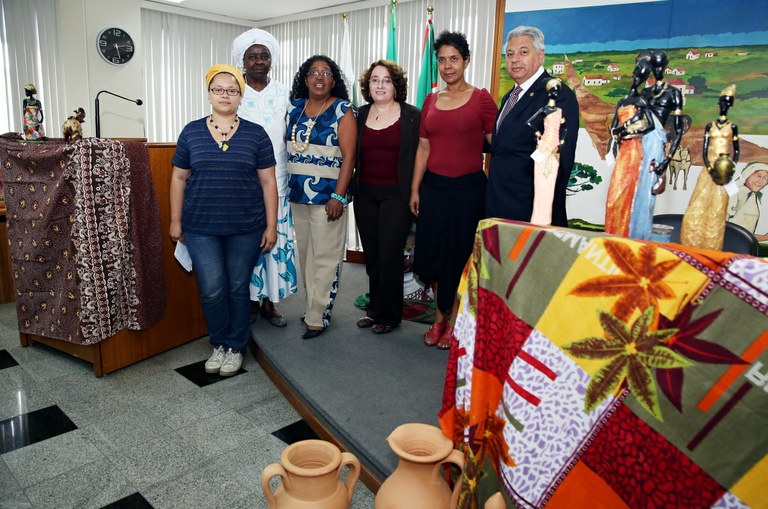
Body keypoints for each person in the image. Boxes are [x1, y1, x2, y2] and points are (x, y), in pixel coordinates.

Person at [170, 64, 278, 376]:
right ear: (209, 94)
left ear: (240, 96)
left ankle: (235, 346)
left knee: (237, 288)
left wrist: (271, 226)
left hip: (246, 227)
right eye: (218, 89)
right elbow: (178, 178)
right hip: (200, 227)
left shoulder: (256, 135)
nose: (225, 95)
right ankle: (219, 342)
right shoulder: (191, 132)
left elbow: (269, 183)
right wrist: (175, 222)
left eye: (232, 90)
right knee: (212, 289)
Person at [409, 31, 497, 350]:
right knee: (431, 256)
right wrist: (415, 189)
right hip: (433, 189)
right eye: (442, 60)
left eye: (454, 59)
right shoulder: (431, 100)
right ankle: (439, 316)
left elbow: (497, 145)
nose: (447, 66)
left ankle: (456, 319)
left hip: (468, 192)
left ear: (466, 61)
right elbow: (423, 147)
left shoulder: (482, 98)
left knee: (459, 258)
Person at [287, 55, 356, 340]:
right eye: (313, 72)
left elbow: (350, 157)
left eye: (325, 72)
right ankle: (311, 307)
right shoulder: (294, 108)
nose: (319, 77)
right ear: (305, 79)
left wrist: (338, 197)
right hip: (297, 195)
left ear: (333, 80)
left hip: (328, 198)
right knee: (307, 258)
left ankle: (319, 317)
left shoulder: (343, 110)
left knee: (326, 258)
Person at [232, 28, 297, 328]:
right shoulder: (234, 94)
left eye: (264, 56)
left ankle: (269, 303)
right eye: (252, 56)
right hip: (242, 185)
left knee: (273, 245)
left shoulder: (285, 94)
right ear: (242, 61)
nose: (259, 61)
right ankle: (247, 301)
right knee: (245, 245)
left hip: (277, 181)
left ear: (272, 61)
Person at [351, 59, 420, 335]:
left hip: (396, 195)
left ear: (396, 85)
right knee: (373, 255)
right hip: (365, 194)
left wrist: (416, 192)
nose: (380, 85)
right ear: (368, 85)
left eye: (386, 80)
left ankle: (391, 315)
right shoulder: (357, 115)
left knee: (390, 254)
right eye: (375, 80)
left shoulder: (412, 116)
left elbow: (420, 158)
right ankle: (375, 308)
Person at [486, 25, 579, 226]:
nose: (514, 59)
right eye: (509, 54)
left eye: (523, 52)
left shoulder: (557, 95)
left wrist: (541, 212)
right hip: (499, 206)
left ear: (540, 54)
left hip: (530, 213)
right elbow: (504, 147)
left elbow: (560, 161)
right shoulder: (510, 96)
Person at [630, 49, 685, 240]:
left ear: (666, 65)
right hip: (638, 144)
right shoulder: (645, 93)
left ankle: (641, 236)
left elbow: (678, 130)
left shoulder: (673, 93)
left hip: (656, 143)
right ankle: (629, 234)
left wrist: (666, 162)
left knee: (646, 192)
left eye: (662, 63)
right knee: (632, 191)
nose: (659, 68)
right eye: (655, 64)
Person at [681, 85, 739, 250]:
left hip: (723, 170)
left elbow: (736, 151)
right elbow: (705, 151)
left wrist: (729, 170)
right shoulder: (710, 126)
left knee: (718, 207)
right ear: (719, 103)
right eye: (723, 101)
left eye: (728, 102)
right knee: (698, 202)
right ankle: (690, 241)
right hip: (709, 170)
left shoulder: (732, 127)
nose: (725, 105)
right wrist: (709, 168)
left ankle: (712, 245)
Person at [604, 55, 655, 237]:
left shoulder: (642, 102)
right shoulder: (623, 101)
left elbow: (649, 125)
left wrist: (629, 131)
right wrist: (620, 132)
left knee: (629, 194)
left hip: (634, 151)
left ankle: (626, 234)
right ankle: (612, 232)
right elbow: (615, 127)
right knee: (614, 196)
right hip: (622, 150)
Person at [526, 78, 570, 226]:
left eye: (557, 90)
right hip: (544, 148)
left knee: (550, 184)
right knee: (540, 183)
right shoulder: (544, 109)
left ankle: (546, 220)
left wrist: (562, 141)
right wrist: (538, 134)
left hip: (554, 151)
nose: (555, 93)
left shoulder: (559, 110)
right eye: (553, 90)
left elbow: (564, 127)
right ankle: (537, 220)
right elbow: (530, 122)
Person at [728, 162, 768, 237]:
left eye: (765, 178)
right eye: (759, 176)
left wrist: (763, 238)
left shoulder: (752, 196)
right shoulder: (734, 193)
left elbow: (745, 232)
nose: (760, 181)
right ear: (748, 174)